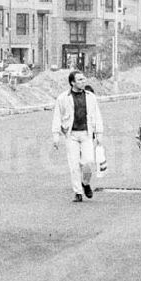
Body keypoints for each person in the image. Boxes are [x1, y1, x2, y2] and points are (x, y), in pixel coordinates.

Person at [51, 71, 104, 202]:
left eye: (83, 79)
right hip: (71, 135)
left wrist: (99, 134)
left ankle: (85, 183)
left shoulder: (90, 97)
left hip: (86, 133)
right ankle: (78, 192)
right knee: (74, 165)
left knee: (87, 162)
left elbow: (97, 116)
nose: (83, 81)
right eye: (79, 80)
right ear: (72, 82)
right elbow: (57, 116)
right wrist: (56, 136)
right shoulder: (63, 98)